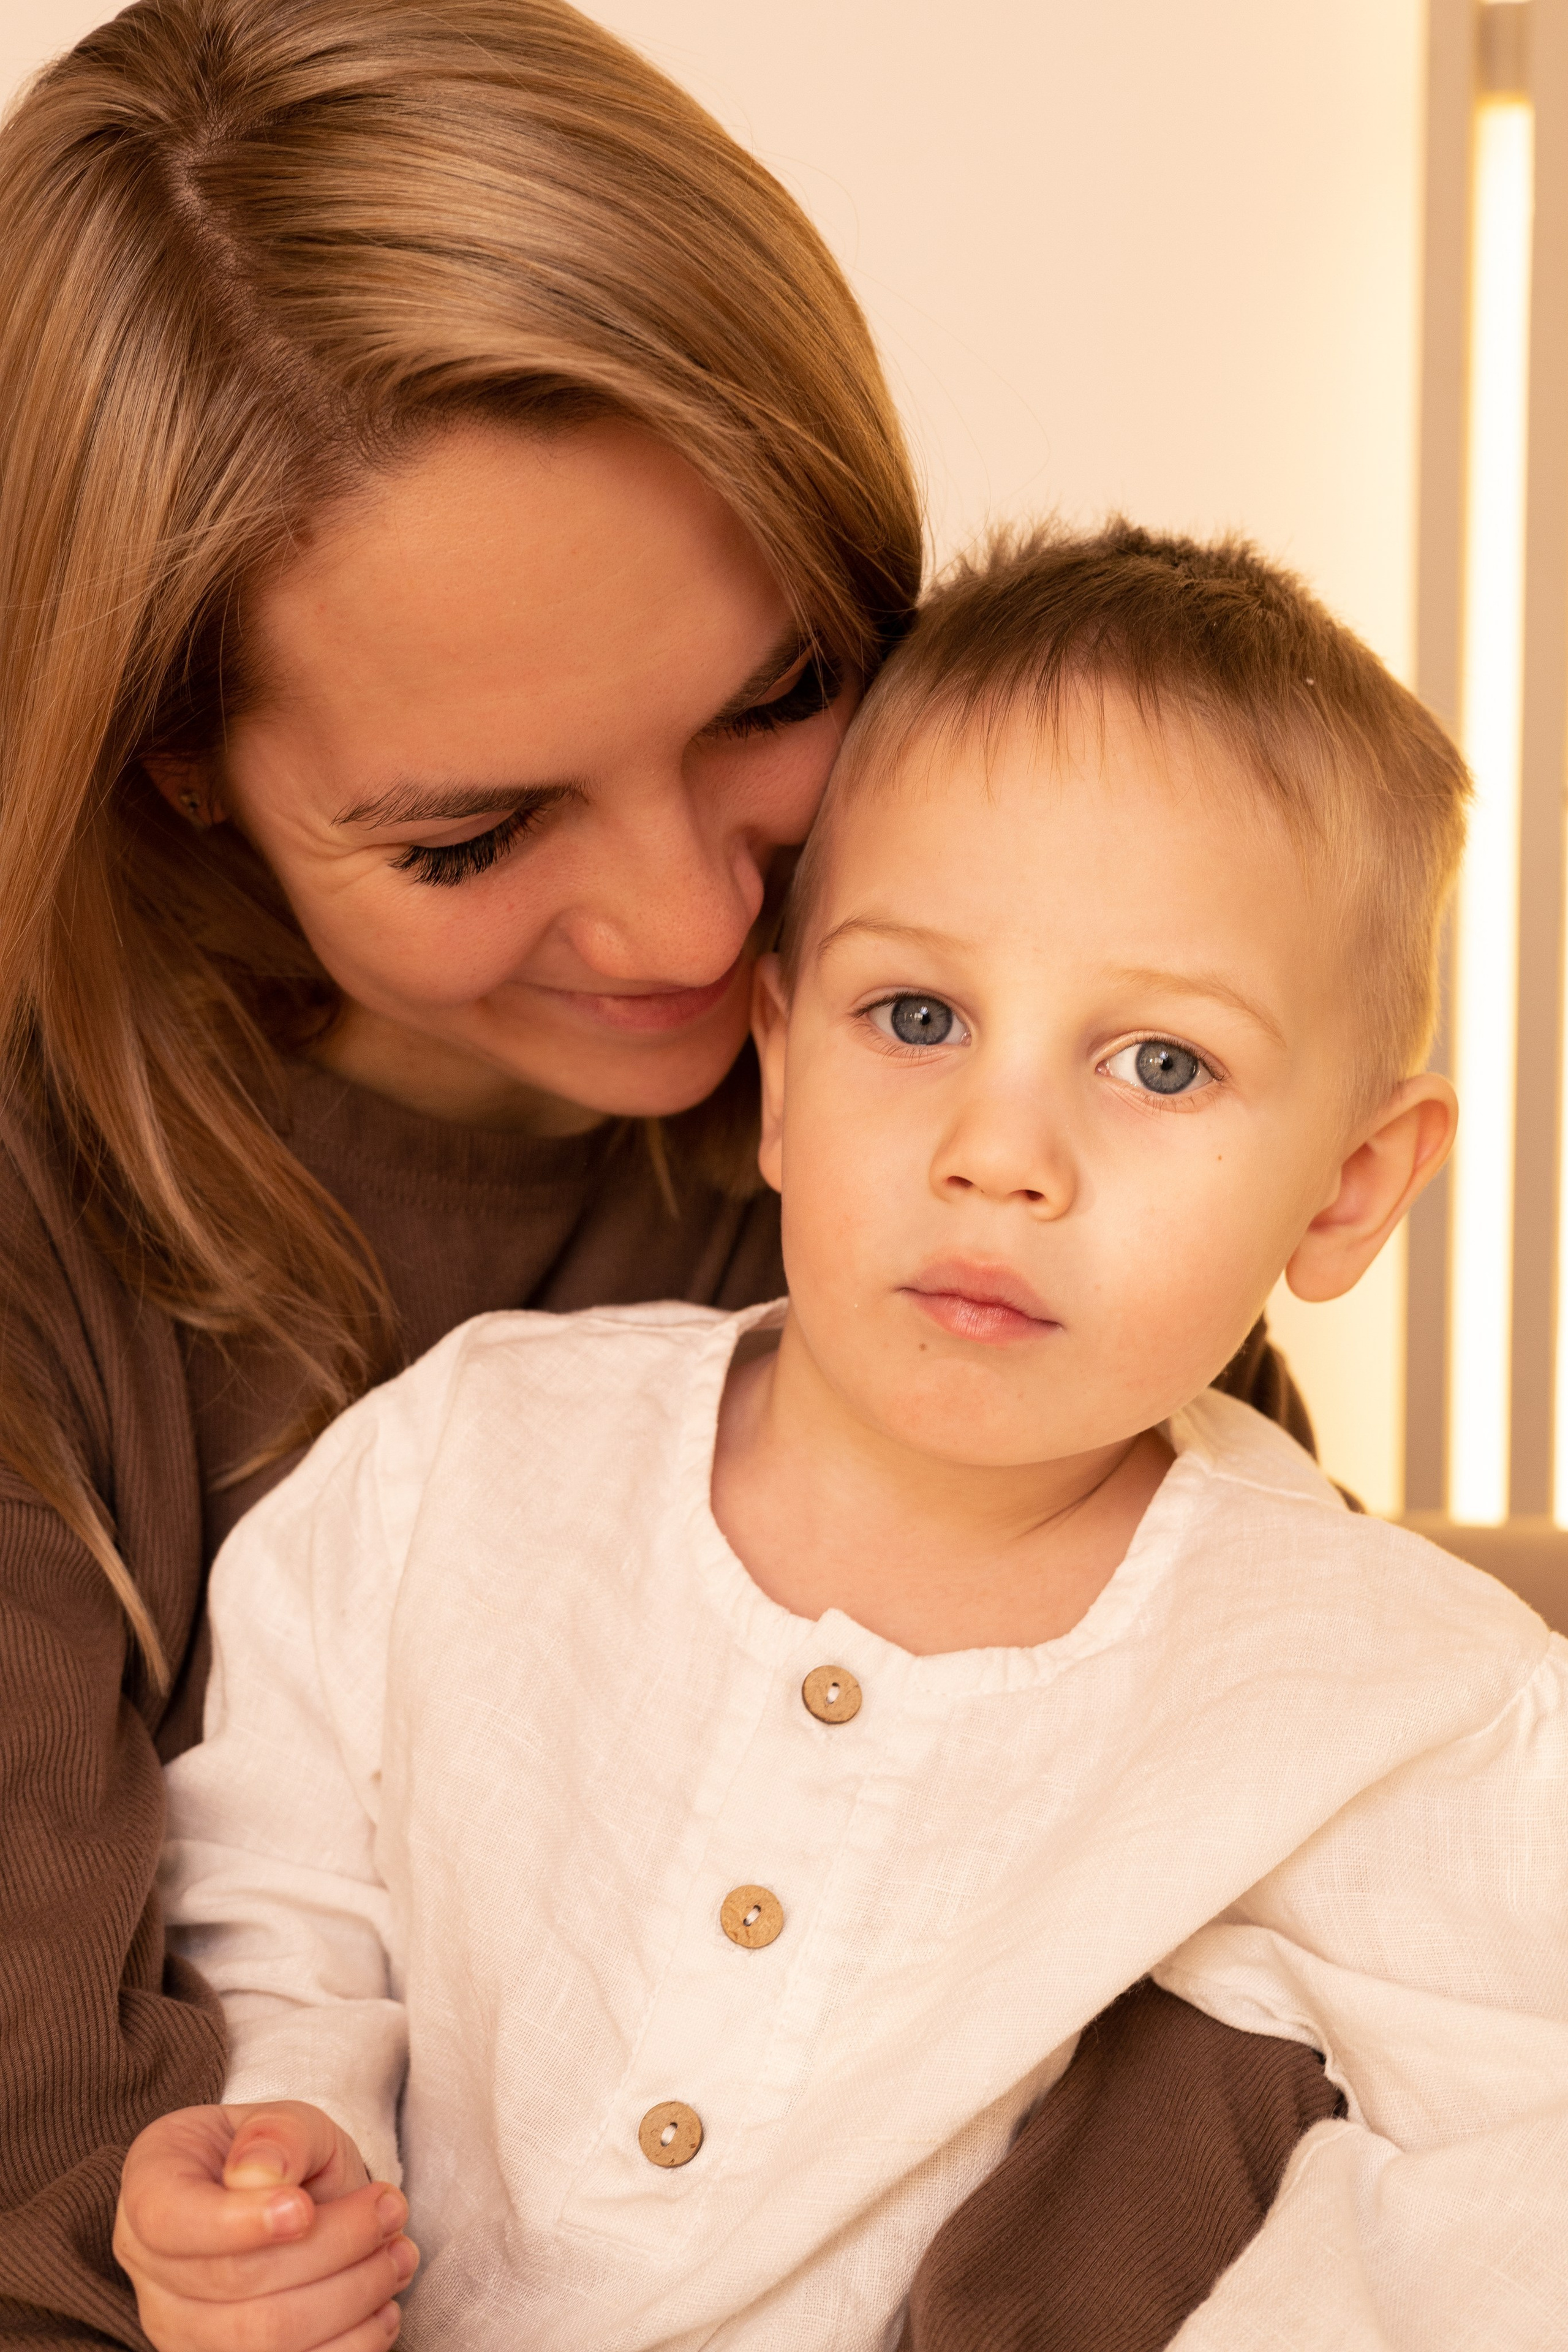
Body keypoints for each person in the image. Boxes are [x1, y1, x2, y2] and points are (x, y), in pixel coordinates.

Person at [0, 4, 1330, 2346]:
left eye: (781, 690)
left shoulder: (1025, 1178)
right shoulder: (45, 1247)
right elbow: (52, 2163)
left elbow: (1232, 2016)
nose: (705, 938)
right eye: (472, 834)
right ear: (176, 768)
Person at [115, 524, 1568, 2351]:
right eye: (918, 1017)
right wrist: (283, 2147)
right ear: (785, 1076)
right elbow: (276, 1867)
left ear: (1350, 1190)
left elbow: (1521, 2167)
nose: (1000, 1149)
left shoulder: (1396, 1694)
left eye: (1164, 1063)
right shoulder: (468, 1457)